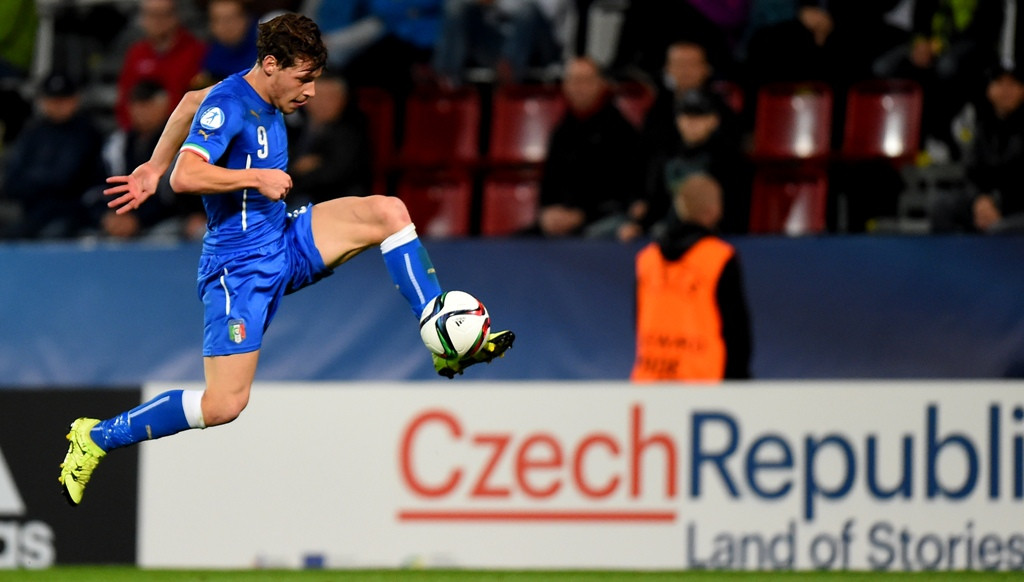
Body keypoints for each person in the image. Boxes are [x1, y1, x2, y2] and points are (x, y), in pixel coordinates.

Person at [58, 13, 514, 507]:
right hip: (238, 268)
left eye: (315, 79)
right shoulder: (232, 104)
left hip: (284, 237)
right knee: (224, 404)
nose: (312, 92)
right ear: (271, 65)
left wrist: (152, 161)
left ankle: (442, 331)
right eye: (305, 78)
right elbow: (186, 178)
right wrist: (242, 178)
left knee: (388, 212)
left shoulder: (246, 93)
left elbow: (191, 102)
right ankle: (96, 437)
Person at [631, 172, 751, 383]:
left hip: (650, 380)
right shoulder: (719, 257)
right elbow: (736, 330)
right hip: (704, 381)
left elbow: (638, 321)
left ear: (680, 207)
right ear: (715, 210)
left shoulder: (647, 259)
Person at [534, 56, 645, 238]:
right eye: (573, 81)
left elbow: (623, 191)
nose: (579, 87)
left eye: (586, 81)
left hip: (601, 219)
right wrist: (547, 211)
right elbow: (550, 181)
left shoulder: (621, 131)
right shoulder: (561, 130)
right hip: (563, 219)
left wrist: (581, 215)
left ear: (601, 84)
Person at [625, 87, 750, 241]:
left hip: (711, 235)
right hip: (667, 234)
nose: (691, 123)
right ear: (677, 120)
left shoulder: (728, 159)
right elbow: (657, 201)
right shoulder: (666, 155)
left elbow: (735, 207)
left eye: (699, 117)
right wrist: (639, 225)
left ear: (713, 121)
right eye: (686, 116)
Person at [87, 80, 206, 240]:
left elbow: (176, 197)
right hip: (119, 221)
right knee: (87, 238)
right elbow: (98, 187)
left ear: (164, 105)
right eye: (136, 105)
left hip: (165, 222)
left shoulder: (182, 143)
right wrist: (106, 217)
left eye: (147, 104)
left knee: (175, 234)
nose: (141, 111)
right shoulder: (117, 144)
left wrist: (138, 219)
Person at [0, 72, 105, 239]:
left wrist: (32, 180)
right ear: (42, 100)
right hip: (32, 210)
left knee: (53, 234)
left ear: (75, 100)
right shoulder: (32, 132)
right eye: (52, 99)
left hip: (70, 212)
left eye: (63, 99)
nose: (57, 105)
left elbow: (66, 179)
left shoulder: (86, 133)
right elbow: (11, 182)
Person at [431, 0, 570, 87]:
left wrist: (499, 3)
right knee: (455, 6)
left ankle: (510, 69)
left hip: (542, 47)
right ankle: (446, 76)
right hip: (500, 42)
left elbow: (549, 11)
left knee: (528, 11)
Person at [114, 0, 207, 130]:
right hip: (137, 133)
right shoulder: (136, 53)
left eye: (163, 15)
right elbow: (124, 99)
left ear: (176, 16)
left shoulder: (196, 51)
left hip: (181, 132)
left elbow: (197, 98)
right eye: (151, 15)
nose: (157, 21)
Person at [288, 72, 374, 204]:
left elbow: (334, 174)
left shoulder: (351, 130)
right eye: (318, 97)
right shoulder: (293, 127)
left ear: (343, 100)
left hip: (334, 203)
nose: (323, 103)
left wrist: (294, 171)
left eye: (331, 97)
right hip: (289, 200)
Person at [193, 0, 260, 87]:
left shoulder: (265, 50)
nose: (225, 26)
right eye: (217, 20)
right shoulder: (209, 56)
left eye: (231, 19)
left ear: (247, 18)